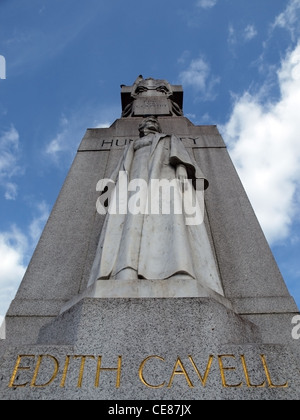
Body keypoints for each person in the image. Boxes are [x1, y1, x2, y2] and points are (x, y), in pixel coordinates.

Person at [88, 116, 224, 295]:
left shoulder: (168, 138)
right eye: (146, 123)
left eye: (153, 122)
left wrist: (182, 171)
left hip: (164, 178)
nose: (150, 123)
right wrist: (110, 189)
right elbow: (121, 168)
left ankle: (179, 270)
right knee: (131, 226)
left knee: (171, 225)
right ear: (141, 128)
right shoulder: (132, 146)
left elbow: (180, 155)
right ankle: (126, 270)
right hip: (135, 183)